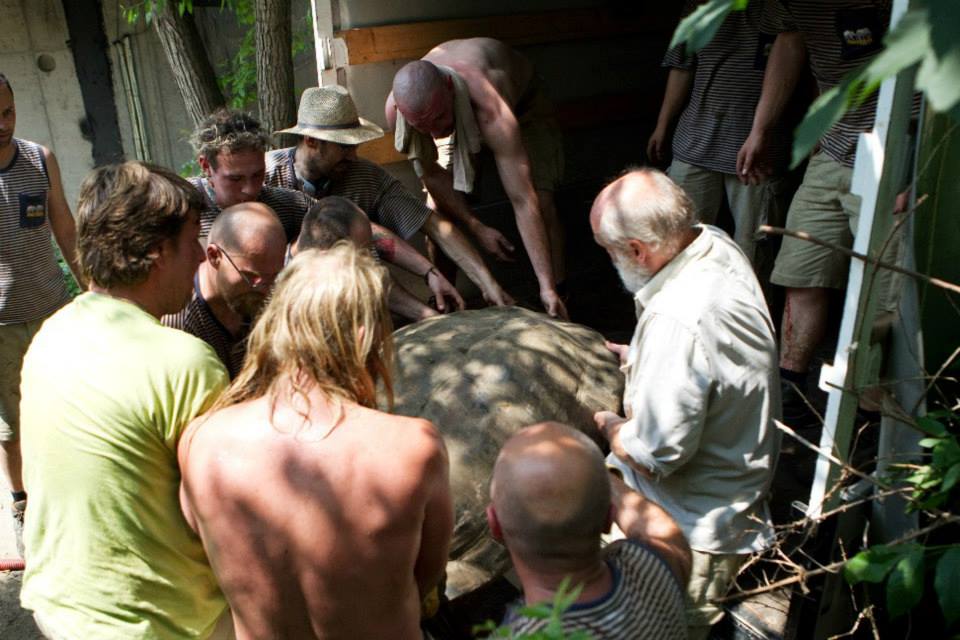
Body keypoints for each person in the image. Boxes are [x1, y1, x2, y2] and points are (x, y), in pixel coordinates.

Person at [179, 244, 453, 639]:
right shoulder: (414, 447)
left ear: (276, 324)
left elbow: (204, 547)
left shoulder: (202, 442)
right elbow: (424, 577)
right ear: (367, 335)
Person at [19, 162, 232, 639]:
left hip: (56, 607)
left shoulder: (52, 334)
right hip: (153, 626)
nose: (201, 256)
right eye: (190, 241)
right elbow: (229, 520)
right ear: (157, 252)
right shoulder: (184, 363)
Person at [590, 169, 780, 639]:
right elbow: (713, 359)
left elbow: (657, 455)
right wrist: (643, 358)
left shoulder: (679, 319)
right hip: (737, 478)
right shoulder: (710, 243)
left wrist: (611, 425)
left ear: (638, 250)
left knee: (665, 628)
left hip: (696, 524)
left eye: (608, 249)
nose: (607, 259)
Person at [736, 0, 902, 420]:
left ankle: (876, 406)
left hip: (899, 141)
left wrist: (920, 164)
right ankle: (791, 384)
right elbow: (789, 45)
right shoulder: (793, 5)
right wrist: (760, 131)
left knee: (888, 284)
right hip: (834, 145)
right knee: (801, 268)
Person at [191, 108, 466, 313]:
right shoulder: (182, 209)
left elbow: (355, 228)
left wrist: (429, 274)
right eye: (235, 179)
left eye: (257, 175)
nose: (250, 189)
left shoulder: (284, 202)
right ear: (206, 166)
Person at [268, 85, 512, 308]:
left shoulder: (366, 176)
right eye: (344, 146)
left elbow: (434, 225)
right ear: (311, 140)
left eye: (355, 146)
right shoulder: (265, 177)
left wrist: (484, 281)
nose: (353, 155)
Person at [385, 38, 567, 318]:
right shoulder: (401, 112)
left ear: (448, 88)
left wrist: (547, 288)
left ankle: (556, 293)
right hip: (450, 111)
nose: (433, 133)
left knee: (541, 201)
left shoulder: (490, 105)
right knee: (437, 211)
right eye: (422, 127)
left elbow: (522, 199)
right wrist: (476, 226)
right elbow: (432, 175)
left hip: (524, 106)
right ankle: (446, 301)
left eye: (437, 119)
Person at [488, 422, 690, 638]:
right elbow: (661, 529)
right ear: (608, 519)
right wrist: (588, 475)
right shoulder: (653, 570)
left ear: (496, 528)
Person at [0, 72, 85, 555]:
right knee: (13, 425)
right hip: (2, 322)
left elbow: (65, 230)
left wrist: (93, 292)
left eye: (8, 112)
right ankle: (22, 505)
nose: (2, 123)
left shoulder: (39, 159)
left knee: (68, 406)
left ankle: (71, 500)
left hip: (54, 309)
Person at [648, 0, 796, 266]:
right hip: (696, 140)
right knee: (679, 240)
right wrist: (662, 125)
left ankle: (750, 308)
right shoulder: (697, 6)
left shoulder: (781, 7)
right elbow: (682, 66)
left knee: (753, 249)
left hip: (758, 149)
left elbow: (805, 65)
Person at [163, 202, 286, 378]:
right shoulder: (178, 319)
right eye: (250, 277)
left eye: (273, 276)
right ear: (214, 256)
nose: (263, 290)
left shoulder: (269, 291)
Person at [290, 196, 443, 322]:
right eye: (361, 254)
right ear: (329, 254)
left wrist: (431, 318)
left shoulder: (332, 271)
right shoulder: (286, 296)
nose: (368, 262)